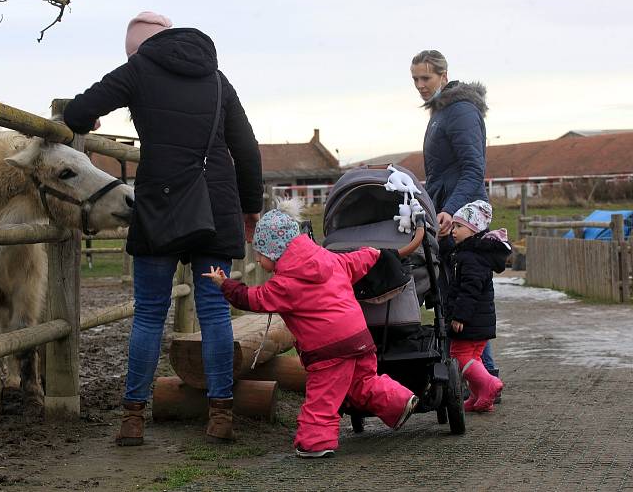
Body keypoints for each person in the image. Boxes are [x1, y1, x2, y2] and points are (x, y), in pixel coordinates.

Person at [63, 11, 263, 445]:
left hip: (161, 204)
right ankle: (221, 414)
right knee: (214, 311)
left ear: (136, 48)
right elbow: (245, 146)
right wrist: (250, 207)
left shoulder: (138, 69)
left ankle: (133, 418)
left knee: (150, 313)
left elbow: (78, 111)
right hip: (215, 204)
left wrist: (88, 122)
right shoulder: (216, 78)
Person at [202, 199, 418, 458]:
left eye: (260, 253)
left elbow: (252, 299)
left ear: (275, 251)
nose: (258, 260)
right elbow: (355, 260)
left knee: (322, 397)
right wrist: (377, 253)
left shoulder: (285, 284)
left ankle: (315, 443)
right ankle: (399, 400)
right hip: (359, 338)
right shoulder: (327, 258)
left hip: (329, 350)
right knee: (362, 383)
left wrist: (225, 285)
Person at [409, 49, 501, 385]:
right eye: (415, 79)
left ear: (443, 76)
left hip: (464, 218)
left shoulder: (459, 110)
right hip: (448, 214)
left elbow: (473, 169)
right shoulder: (440, 113)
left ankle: (484, 374)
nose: (420, 85)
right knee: (453, 294)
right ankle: (478, 374)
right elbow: (441, 174)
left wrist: (451, 209)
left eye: (426, 78)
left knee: (465, 294)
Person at [445, 200, 511, 412]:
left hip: (470, 320)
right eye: (453, 226)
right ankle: (479, 396)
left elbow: (469, 290)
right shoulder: (476, 254)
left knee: (460, 357)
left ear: (473, 230)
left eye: (459, 227)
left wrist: (459, 317)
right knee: (474, 358)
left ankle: (489, 384)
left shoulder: (470, 257)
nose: (453, 231)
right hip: (480, 320)